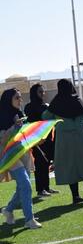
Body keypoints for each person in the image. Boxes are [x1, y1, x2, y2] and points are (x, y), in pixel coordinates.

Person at [42, 79, 83, 204]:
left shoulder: (56, 103)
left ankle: (75, 196)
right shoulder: (77, 100)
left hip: (64, 140)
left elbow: (45, 117)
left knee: (70, 166)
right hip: (81, 138)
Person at [0, 88, 42, 229]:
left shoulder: (19, 114)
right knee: (25, 184)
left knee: (22, 187)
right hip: (9, 155)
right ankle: (29, 220)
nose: (20, 100)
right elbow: (3, 140)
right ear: (9, 100)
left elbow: (23, 134)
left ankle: (8, 210)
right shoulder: (1, 117)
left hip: (22, 152)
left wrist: (36, 138)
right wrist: (13, 128)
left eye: (20, 97)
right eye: (17, 98)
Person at [24, 83, 58, 197]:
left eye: (43, 91)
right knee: (40, 164)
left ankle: (46, 187)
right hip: (37, 140)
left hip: (47, 138)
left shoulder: (46, 105)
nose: (43, 94)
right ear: (34, 93)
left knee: (47, 163)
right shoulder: (29, 107)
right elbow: (33, 122)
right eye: (40, 92)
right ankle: (40, 190)